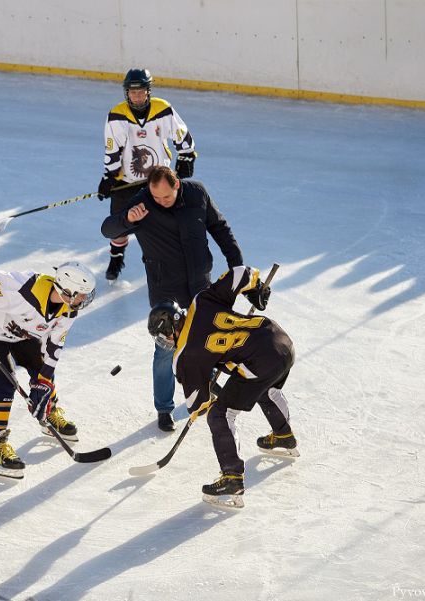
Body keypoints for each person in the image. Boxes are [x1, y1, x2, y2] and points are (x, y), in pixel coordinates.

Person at [101, 165, 243, 432]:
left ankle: (208, 382)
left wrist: (236, 264)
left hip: (200, 282)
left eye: (165, 197)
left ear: (177, 184)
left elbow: (219, 227)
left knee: (205, 338)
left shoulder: (196, 193)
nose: (160, 202)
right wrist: (128, 220)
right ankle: (164, 408)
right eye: (156, 197)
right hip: (165, 289)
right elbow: (107, 229)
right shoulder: (143, 202)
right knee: (166, 351)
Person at [147, 265, 298, 508]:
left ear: (171, 327)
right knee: (265, 388)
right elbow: (241, 274)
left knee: (220, 414)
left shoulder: (184, 355)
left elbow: (199, 404)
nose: (165, 342)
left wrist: (208, 379)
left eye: (163, 336)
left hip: (260, 361)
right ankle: (283, 436)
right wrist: (256, 290)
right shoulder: (200, 301)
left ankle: (232, 478)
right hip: (280, 340)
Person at [0, 262, 96, 479]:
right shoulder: (23, 289)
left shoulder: (68, 310)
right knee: (4, 384)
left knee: (42, 372)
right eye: (81, 294)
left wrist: (43, 383)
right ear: (67, 290)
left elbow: (54, 347)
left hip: (22, 334)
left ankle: (48, 410)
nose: (84, 299)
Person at [97, 68, 196, 282]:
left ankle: (164, 264)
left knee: (162, 225)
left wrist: (187, 156)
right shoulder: (117, 115)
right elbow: (113, 149)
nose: (137, 96)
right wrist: (109, 177)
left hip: (159, 181)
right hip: (127, 181)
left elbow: (181, 134)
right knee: (118, 226)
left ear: (148, 91)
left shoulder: (163, 109)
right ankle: (116, 258)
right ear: (126, 93)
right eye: (132, 93)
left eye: (141, 91)